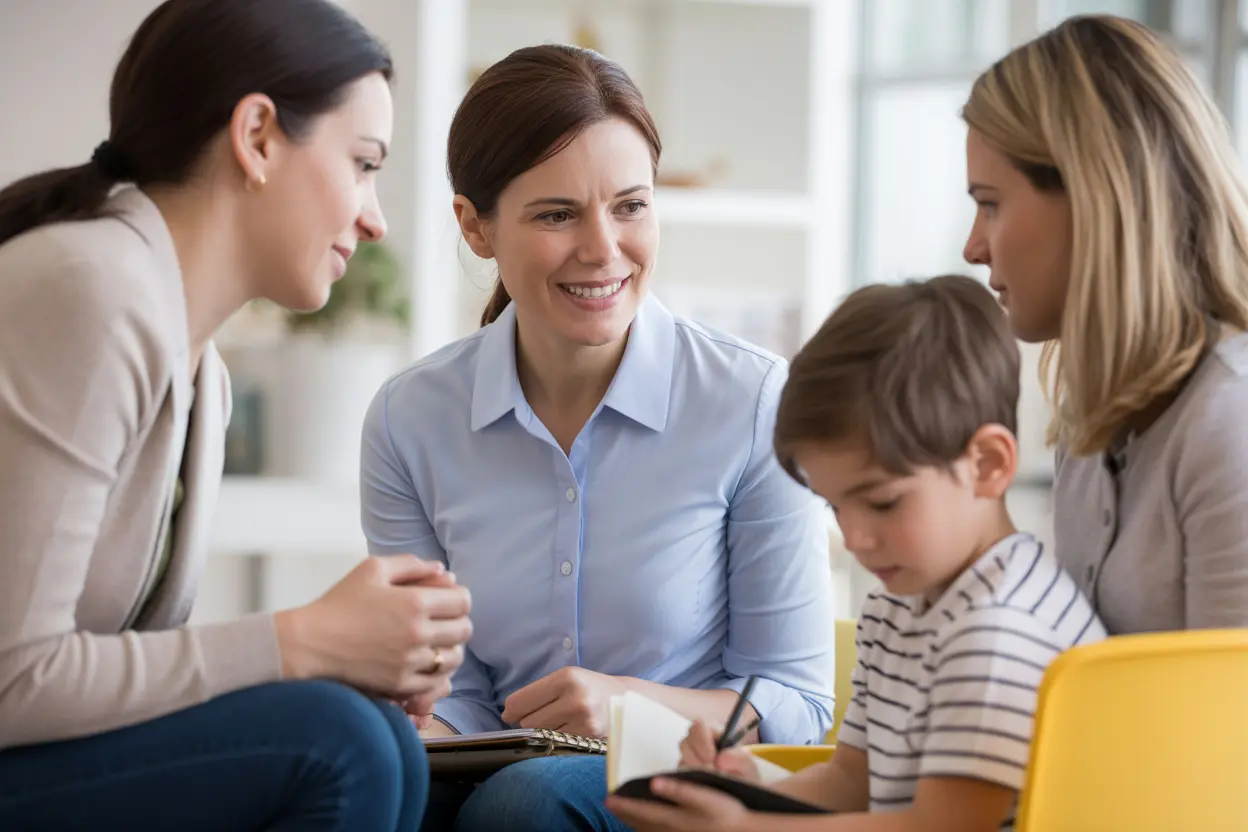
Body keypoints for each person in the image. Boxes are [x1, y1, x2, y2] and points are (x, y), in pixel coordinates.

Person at [0, 1, 473, 829]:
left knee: (380, 740)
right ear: (256, 136)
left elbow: (120, 669)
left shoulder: (202, 368)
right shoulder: (94, 290)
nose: (375, 217)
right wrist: (301, 642)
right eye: (363, 163)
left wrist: (332, 652)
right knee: (339, 743)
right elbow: (13, 678)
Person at [360, 43, 837, 832]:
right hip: (497, 776)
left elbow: (797, 702)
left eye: (631, 206)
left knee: (524, 806)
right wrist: (409, 732)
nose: (603, 248)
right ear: (475, 227)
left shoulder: (751, 403)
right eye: (556, 214)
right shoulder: (410, 420)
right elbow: (457, 693)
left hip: (688, 784)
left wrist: (629, 705)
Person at [607, 276, 1106, 832]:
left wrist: (746, 830)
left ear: (988, 465)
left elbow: (942, 827)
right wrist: (747, 792)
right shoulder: (899, 607)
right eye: (836, 507)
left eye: (883, 503)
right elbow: (850, 782)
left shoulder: (999, 629)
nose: (857, 537)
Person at [961, 14, 1248, 635]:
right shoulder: (1090, 424)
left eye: (990, 204)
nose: (973, 247)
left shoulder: (1230, 423)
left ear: (1094, 198)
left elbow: (1230, 727)